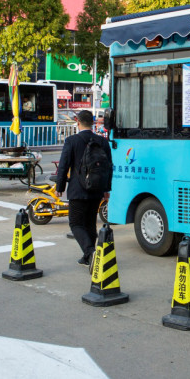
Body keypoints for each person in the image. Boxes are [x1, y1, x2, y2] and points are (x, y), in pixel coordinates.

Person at [55, 110, 112, 267]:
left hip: (77, 189)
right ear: (92, 123)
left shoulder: (72, 141)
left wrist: (60, 186)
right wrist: (107, 189)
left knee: (75, 224)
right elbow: (108, 167)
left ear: (77, 121)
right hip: (96, 188)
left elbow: (64, 165)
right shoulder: (102, 141)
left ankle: (90, 252)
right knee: (90, 223)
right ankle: (88, 257)